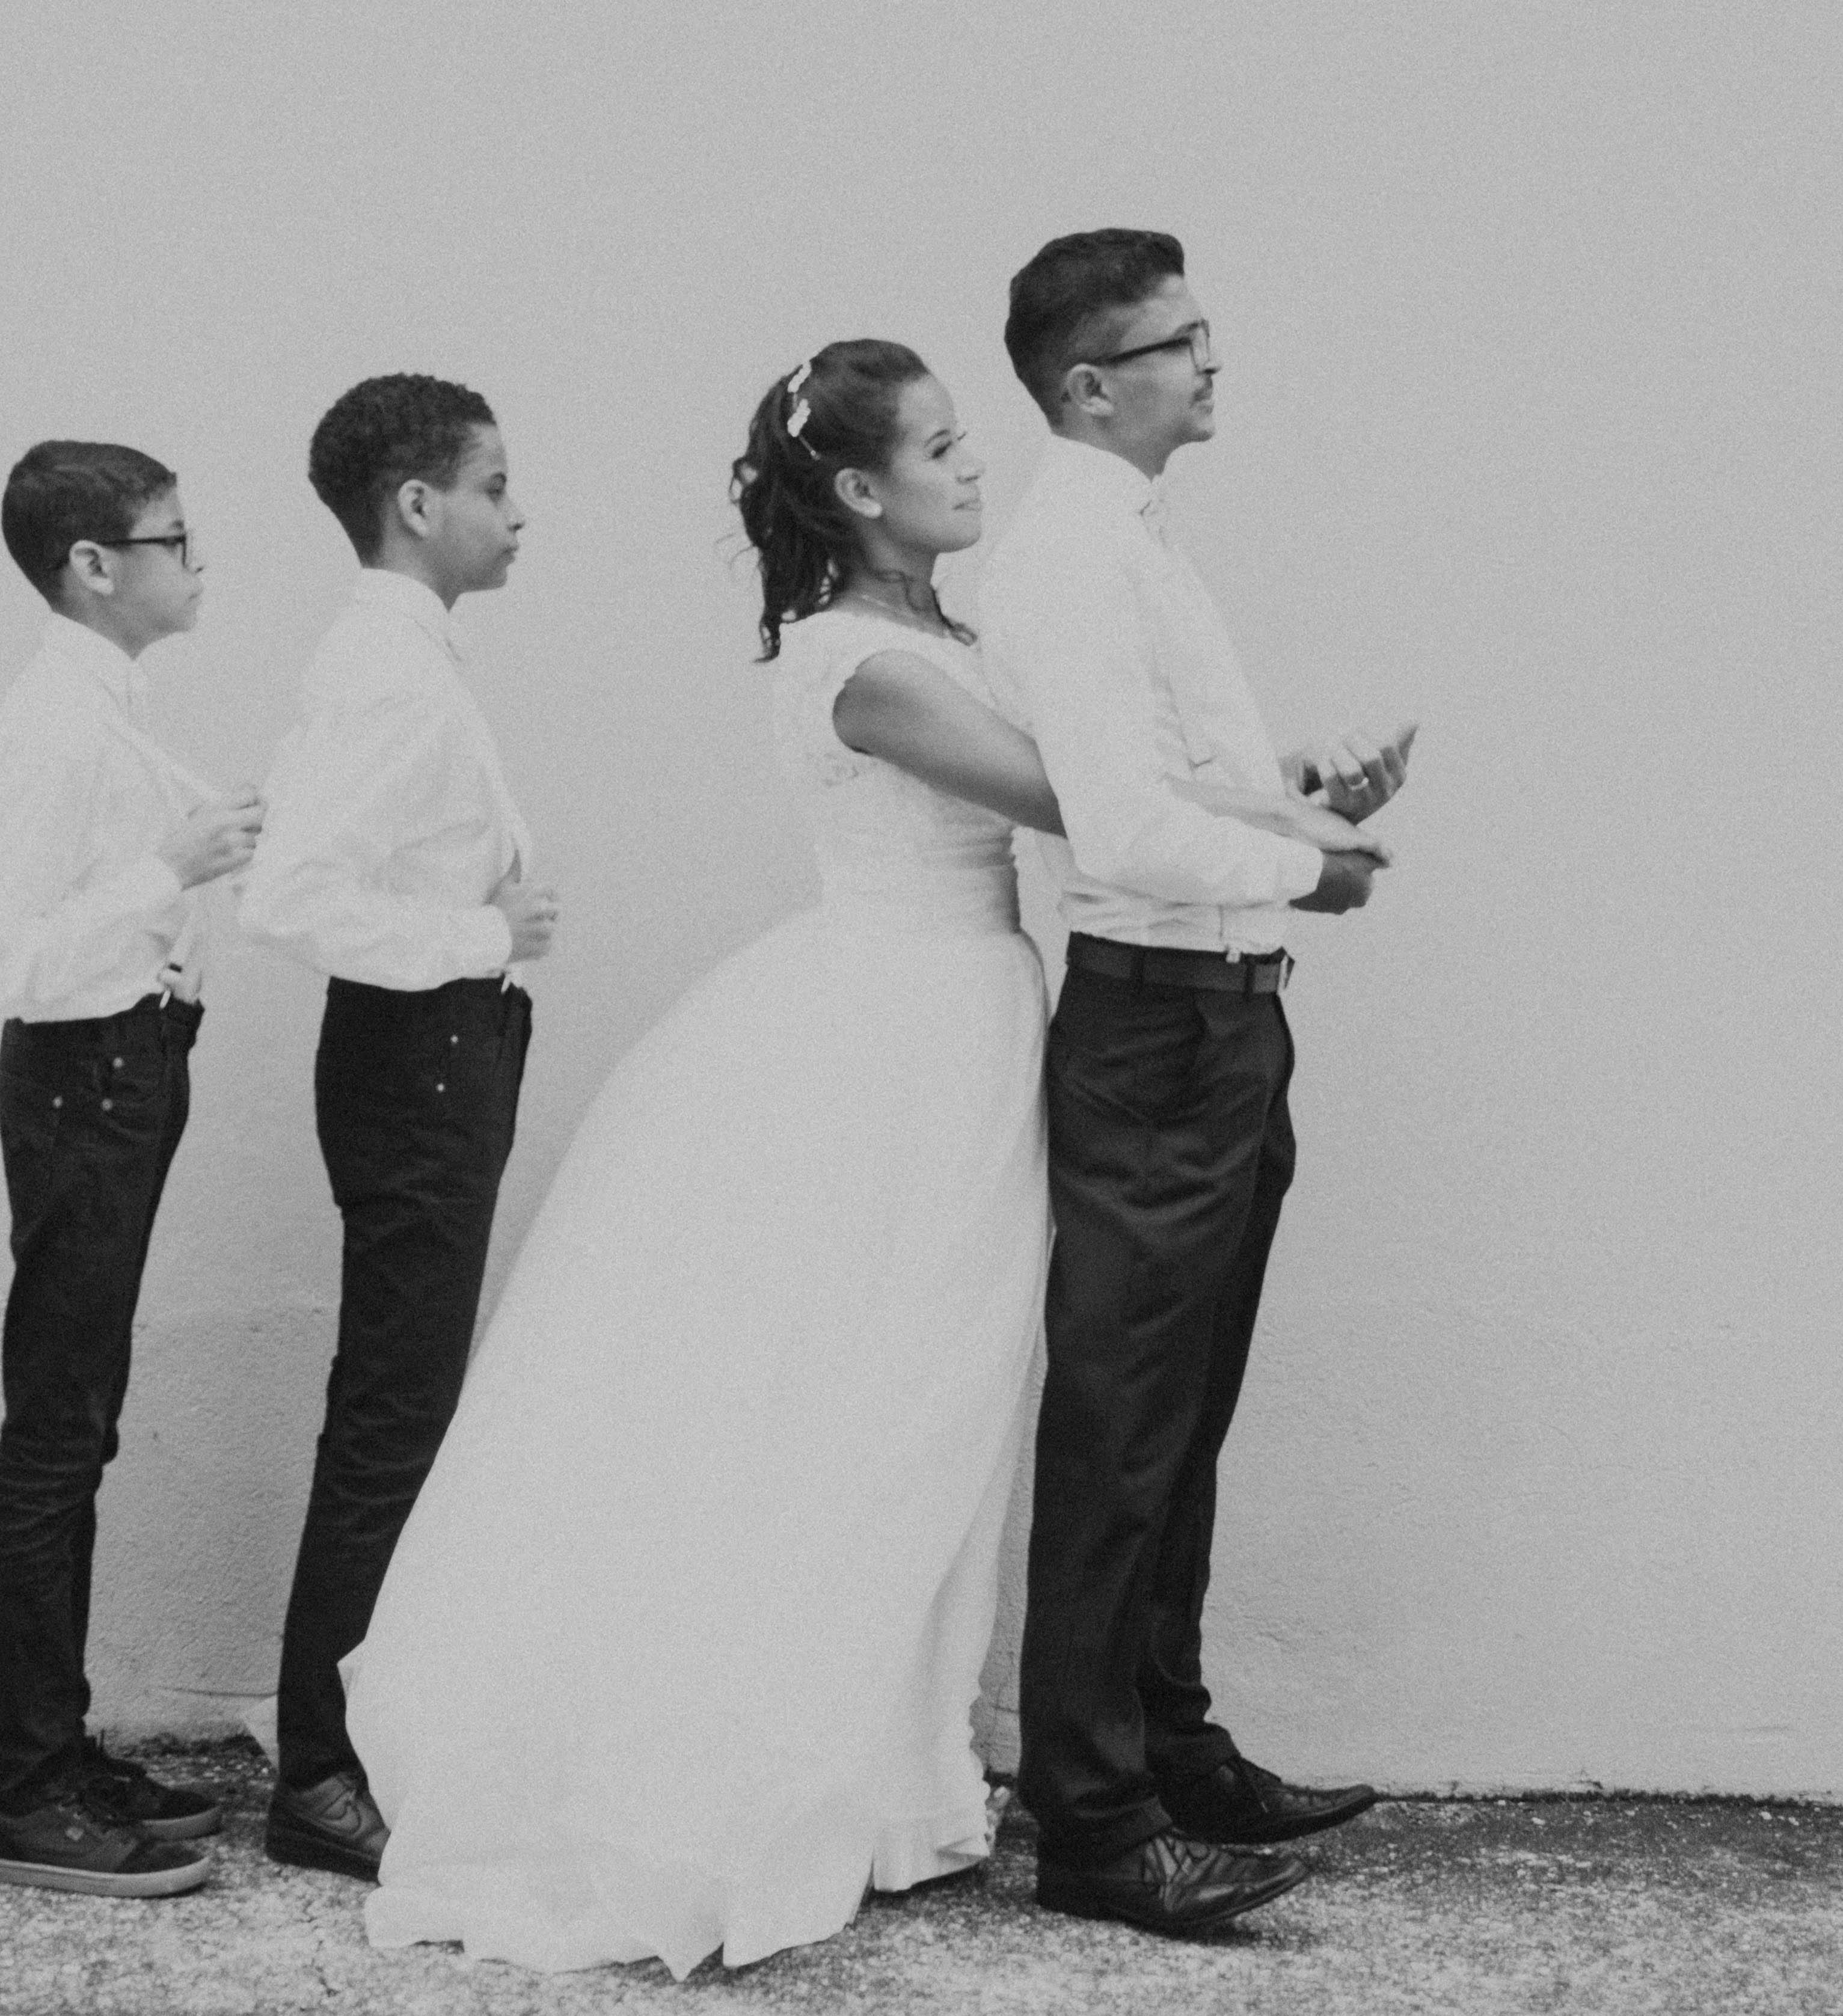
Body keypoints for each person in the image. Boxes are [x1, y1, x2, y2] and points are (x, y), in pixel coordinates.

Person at [340, 343, 1384, 1976]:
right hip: (885, 1041)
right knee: (856, 1401)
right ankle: (768, 1764)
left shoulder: (947, 631)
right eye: (943, 448)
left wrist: (1292, 794)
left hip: (970, 1022)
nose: (974, 470)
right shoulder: (855, 663)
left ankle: (902, 1772)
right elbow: (1070, 799)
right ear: (855, 490)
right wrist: (1293, 856)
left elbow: (1120, 767)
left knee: (933, 1410)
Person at [980, 228, 1414, 1937]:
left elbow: (1172, 779)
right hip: (1156, 1026)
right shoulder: (1070, 558)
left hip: (1221, 1018)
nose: (1211, 360)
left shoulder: (1134, 540)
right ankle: (1093, 1821)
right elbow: (1114, 825)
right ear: (1092, 384)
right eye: (1178, 340)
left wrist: (1294, 784)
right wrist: (1308, 868)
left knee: (1188, 1411)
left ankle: (1166, 1744)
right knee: (1122, 1424)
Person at [238, 373, 557, 1880]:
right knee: (390, 1416)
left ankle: (356, 1739)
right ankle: (321, 1771)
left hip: (433, 1052)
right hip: (419, 1056)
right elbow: (293, 895)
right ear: (417, 505)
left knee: (403, 1411)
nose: (516, 512)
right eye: (494, 485)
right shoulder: (386, 667)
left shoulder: (400, 654)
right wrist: (479, 934)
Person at [0, 442, 265, 1899]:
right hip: (85, 1080)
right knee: (58, 1429)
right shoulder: (57, 723)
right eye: (174, 539)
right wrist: (173, 871)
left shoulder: (109, 708)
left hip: (126, 1073)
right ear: (94, 566)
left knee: (83, 1420)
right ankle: (30, 1788)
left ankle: (59, 1752)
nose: (197, 562)